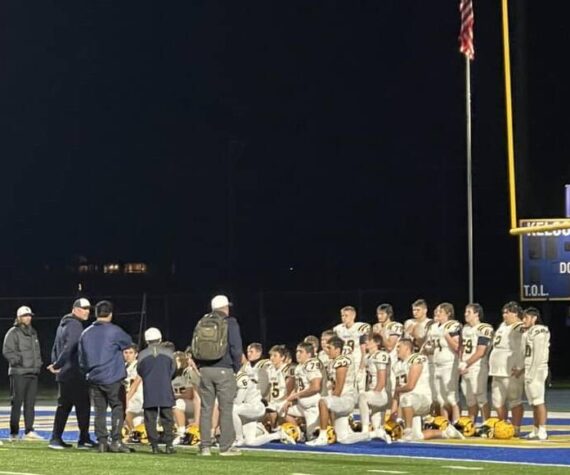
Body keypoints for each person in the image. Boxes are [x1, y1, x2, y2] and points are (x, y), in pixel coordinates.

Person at [79, 300, 133, 453]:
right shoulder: (115, 331)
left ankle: (102, 442)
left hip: (94, 377)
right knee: (117, 407)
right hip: (112, 377)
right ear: (110, 314)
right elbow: (128, 343)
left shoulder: (86, 333)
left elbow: (81, 359)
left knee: (99, 410)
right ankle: (116, 440)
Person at [194, 294, 243, 456]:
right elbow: (236, 348)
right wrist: (236, 368)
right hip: (224, 369)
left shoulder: (203, 321)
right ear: (225, 307)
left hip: (205, 369)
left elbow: (196, 346)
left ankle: (205, 446)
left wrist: (201, 365)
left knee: (206, 408)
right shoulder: (230, 322)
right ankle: (225, 446)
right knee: (225, 408)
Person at [391, 339, 463, 442]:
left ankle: (407, 432)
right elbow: (398, 391)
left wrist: (396, 390)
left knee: (406, 398)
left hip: (423, 400)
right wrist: (394, 410)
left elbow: (410, 386)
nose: (396, 349)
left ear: (407, 348)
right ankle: (447, 433)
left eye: (399, 346)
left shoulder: (416, 359)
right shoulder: (397, 365)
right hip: (410, 404)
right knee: (417, 436)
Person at [47, 298, 95, 449]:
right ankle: (84, 439)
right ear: (75, 309)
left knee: (64, 406)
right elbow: (71, 346)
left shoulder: (63, 323)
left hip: (65, 373)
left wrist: (56, 365)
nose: (87, 311)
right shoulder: (75, 324)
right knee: (83, 406)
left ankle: (56, 438)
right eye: (84, 308)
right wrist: (57, 364)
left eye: (88, 308)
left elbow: (56, 347)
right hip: (74, 372)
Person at [307, 336, 370, 446]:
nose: (327, 350)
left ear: (337, 349)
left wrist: (329, 407)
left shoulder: (342, 361)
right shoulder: (335, 361)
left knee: (323, 401)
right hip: (342, 400)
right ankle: (374, 434)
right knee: (343, 438)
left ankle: (322, 437)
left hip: (346, 399)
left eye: (330, 348)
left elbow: (339, 389)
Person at [2, 305, 44, 441]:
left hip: (32, 373)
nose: (28, 318)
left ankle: (29, 431)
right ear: (19, 318)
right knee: (17, 403)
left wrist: (38, 364)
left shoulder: (33, 332)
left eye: (30, 316)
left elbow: (36, 352)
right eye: (26, 316)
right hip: (19, 373)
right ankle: (14, 433)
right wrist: (18, 361)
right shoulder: (13, 332)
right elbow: (7, 351)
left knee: (30, 404)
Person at [135, 328, 176, 454]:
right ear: (160, 338)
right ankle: (169, 445)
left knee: (150, 418)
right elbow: (173, 370)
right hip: (165, 389)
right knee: (167, 418)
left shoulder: (142, 355)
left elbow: (139, 371)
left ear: (146, 340)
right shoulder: (169, 353)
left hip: (149, 389)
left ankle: (154, 446)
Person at [488, 301, 525, 436]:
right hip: (497, 370)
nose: (504, 315)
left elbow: (526, 333)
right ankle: (504, 426)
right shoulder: (503, 326)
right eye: (503, 312)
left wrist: (521, 366)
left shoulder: (518, 326)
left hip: (510, 370)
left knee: (514, 400)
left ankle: (516, 428)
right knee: (497, 401)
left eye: (507, 312)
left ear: (515, 314)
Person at [459, 303, 493, 422]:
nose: (465, 314)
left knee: (480, 397)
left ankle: (487, 424)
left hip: (478, 366)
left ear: (477, 314)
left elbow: (481, 352)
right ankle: (471, 423)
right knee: (469, 399)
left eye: (469, 312)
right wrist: (461, 362)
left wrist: (466, 363)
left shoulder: (484, 328)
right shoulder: (466, 328)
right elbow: (462, 348)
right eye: (465, 312)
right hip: (466, 365)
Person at [520, 307, 550, 440]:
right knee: (533, 402)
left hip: (537, 368)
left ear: (534, 318)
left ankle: (543, 429)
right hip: (529, 367)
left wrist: (531, 373)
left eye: (526, 318)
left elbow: (538, 355)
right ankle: (536, 428)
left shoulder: (540, 330)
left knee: (539, 401)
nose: (523, 320)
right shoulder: (527, 332)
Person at [333, 306, 370, 393]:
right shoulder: (338, 329)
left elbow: (365, 349)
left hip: (357, 361)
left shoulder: (361, 328)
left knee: (360, 390)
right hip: (345, 362)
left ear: (353, 316)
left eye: (346, 315)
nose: (344, 318)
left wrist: (362, 367)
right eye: (342, 316)